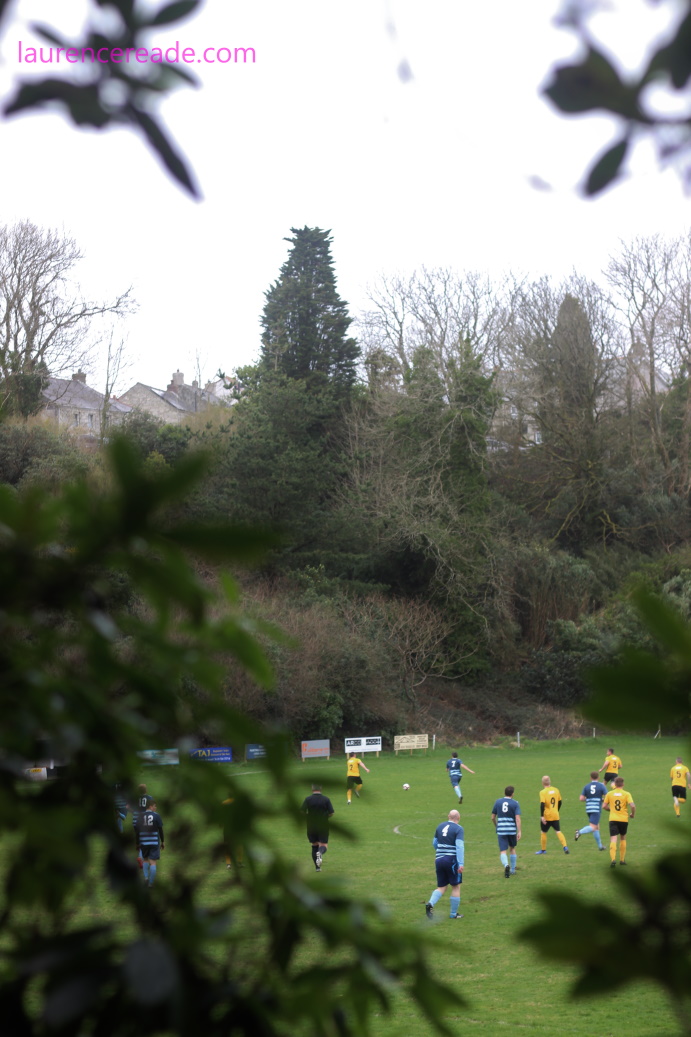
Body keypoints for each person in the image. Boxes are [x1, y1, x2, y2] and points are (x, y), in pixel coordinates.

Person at [425, 808, 464, 919]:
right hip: (451, 860)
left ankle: (430, 903)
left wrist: (440, 852)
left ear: (448, 816)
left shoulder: (440, 826)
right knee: (456, 886)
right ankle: (453, 914)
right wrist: (461, 863)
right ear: (459, 817)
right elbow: (459, 846)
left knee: (442, 887)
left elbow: (435, 843)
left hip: (439, 859)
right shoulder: (459, 829)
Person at [301, 783, 334, 871]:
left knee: (314, 845)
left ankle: (317, 868)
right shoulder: (326, 799)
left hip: (311, 825)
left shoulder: (308, 799)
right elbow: (331, 813)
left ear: (312, 789)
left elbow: (302, 811)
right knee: (323, 845)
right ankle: (320, 852)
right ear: (321, 788)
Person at [603, 776, 635, 866]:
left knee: (613, 838)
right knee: (623, 837)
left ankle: (613, 859)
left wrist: (611, 810)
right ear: (623, 784)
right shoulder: (626, 794)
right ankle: (622, 860)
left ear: (615, 784)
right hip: (623, 819)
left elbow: (604, 806)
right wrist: (632, 814)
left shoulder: (609, 794)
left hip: (613, 819)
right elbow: (632, 806)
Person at [491, 785, 521, 877]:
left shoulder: (498, 802)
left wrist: (497, 826)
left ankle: (506, 865)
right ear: (513, 794)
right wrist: (519, 831)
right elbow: (517, 818)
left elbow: (492, 817)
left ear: (504, 793)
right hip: (512, 830)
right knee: (512, 848)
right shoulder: (515, 803)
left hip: (501, 830)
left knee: (503, 850)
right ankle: (512, 870)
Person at [536, 775, 569, 855]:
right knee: (558, 831)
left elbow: (542, 804)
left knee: (543, 832)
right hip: (555, 814)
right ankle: (565, 846)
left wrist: (542, 816)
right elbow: (560, 802)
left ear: (542, 783)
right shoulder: (556, 790)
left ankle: (543, 850)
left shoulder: (542, 792)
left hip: (547, 815)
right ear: (550, 782)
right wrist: (556, 810)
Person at [135, 798, 165, 887]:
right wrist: (163, 841)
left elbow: (137, 831)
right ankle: (150, 883)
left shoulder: (140, 816)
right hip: (154, 842)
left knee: (145, 860)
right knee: (153, 862)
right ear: (150, 806)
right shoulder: (156, 816)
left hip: (144, 842)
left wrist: (137, 843)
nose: (156, 808)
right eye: (155, 806)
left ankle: (146, 878)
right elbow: (160, 830)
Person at [575, 771, 607, 850]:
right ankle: (579, 832)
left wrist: (589, 799)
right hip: (596, 809)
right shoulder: (601, 786)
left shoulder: (586, 786)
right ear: (598, 777)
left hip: (589, 809)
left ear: (590, 778)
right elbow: (607, 797)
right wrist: (602, 800)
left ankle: (600, 846)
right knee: (593, 827)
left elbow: (581, 798)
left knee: (596, 827)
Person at [132, 783, 155, 868]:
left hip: (136, 820)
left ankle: (141, 855)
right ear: (146, 790)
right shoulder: (149, 798)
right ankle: (141, 857)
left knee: (140, 839)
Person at [222, 796, 245, 870]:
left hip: (229, 829)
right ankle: (239, 862)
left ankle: (229, 863)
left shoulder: (224, 803)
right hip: (235, 829)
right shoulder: (240, 803)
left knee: (228, 846)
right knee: (239, 846)